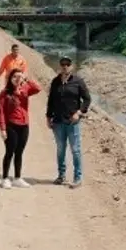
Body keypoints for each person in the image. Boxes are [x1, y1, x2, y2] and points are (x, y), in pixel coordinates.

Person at [46, 56, 91, 188]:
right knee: (60, 150)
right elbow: (51, 101)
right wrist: (48, 117)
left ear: (71, 66)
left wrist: (79, 112)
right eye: (62, 64)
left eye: (67, 64)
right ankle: (61, 176)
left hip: (72, 122)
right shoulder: (55, 82)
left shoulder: (78, 81)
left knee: (75, 150)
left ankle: (77, 178)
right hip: (58, 122)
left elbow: (87, 99)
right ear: (59, 66)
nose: (65, 66)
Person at [0, 68, 41, 189]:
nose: (18, 79)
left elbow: (38, 88)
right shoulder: (5, 93)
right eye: (15, 76)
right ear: (10, 78)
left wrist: (27, 80)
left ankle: (17, 178)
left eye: (20, 77)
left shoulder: (25, 89)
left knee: (19, 153)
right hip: (11, 125)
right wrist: (3, 128)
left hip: (24, 125)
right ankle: (5, 178)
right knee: (9, 152)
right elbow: (1, 112)